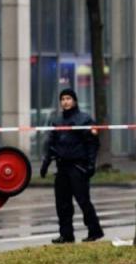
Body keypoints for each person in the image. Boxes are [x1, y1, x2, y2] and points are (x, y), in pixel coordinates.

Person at [41, 88, 104, 244]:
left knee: (83, 201)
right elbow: (51, 145)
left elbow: (93, 144)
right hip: (62, 167)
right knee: (62, 204)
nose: (65, 102)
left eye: (68, 98)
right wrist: (45, 163)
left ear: (74, 100)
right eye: (63, 99)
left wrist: (91, 165)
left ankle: (94, 231)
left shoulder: (84, 120)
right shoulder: (57, 121)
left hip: (78, 167)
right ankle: (66, 235)